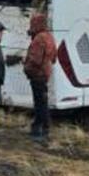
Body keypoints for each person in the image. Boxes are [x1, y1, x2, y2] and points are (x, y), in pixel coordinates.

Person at [23, 12, 55, 144]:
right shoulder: (49, 37)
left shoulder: (39, 39)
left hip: (37, 75)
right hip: (45, 73)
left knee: (39, 104)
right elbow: (54, 57)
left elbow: (35, 60)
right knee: (43, 102)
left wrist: (27, 67)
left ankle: (39, 130)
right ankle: (44, 128)